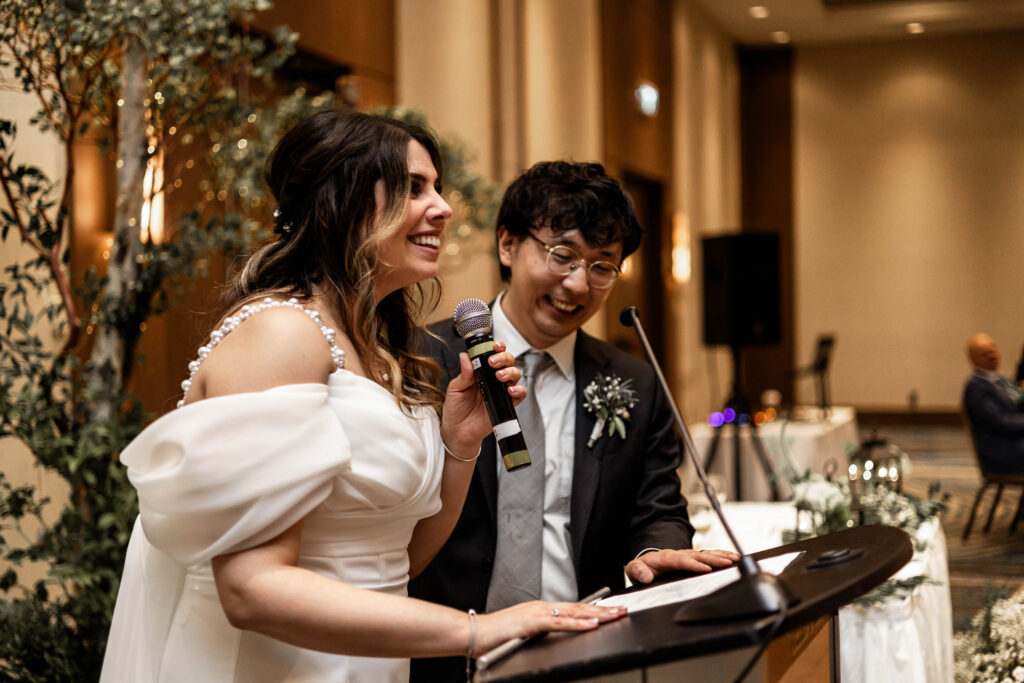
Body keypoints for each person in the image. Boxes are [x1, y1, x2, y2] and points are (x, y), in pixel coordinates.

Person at [99, 112, 626, 683]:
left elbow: (395, 563)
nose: (443, 208)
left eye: (437, 188)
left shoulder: (381, 347)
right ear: (338, 204)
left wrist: (458, 445)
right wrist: (479, 630)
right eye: (413, 187)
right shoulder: (280, 333)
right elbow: (251, 588)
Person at [409, 161, 738, 681]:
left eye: (603, 266)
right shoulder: (421, 360)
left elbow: (658, 505)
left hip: (587, 650)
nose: (578, 284)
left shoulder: (634, 381)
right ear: (507, 245)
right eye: (562, 256)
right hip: (443, 653)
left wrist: (653, 551)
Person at [962, 332, 1024, 474]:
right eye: (985, 354)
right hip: (1003, 455)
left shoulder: (1001, 381)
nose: (992, 356)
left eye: (992, 350)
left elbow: (1018, 406)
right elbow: (1002, 422)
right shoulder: (976, 388)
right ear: (973, 359)